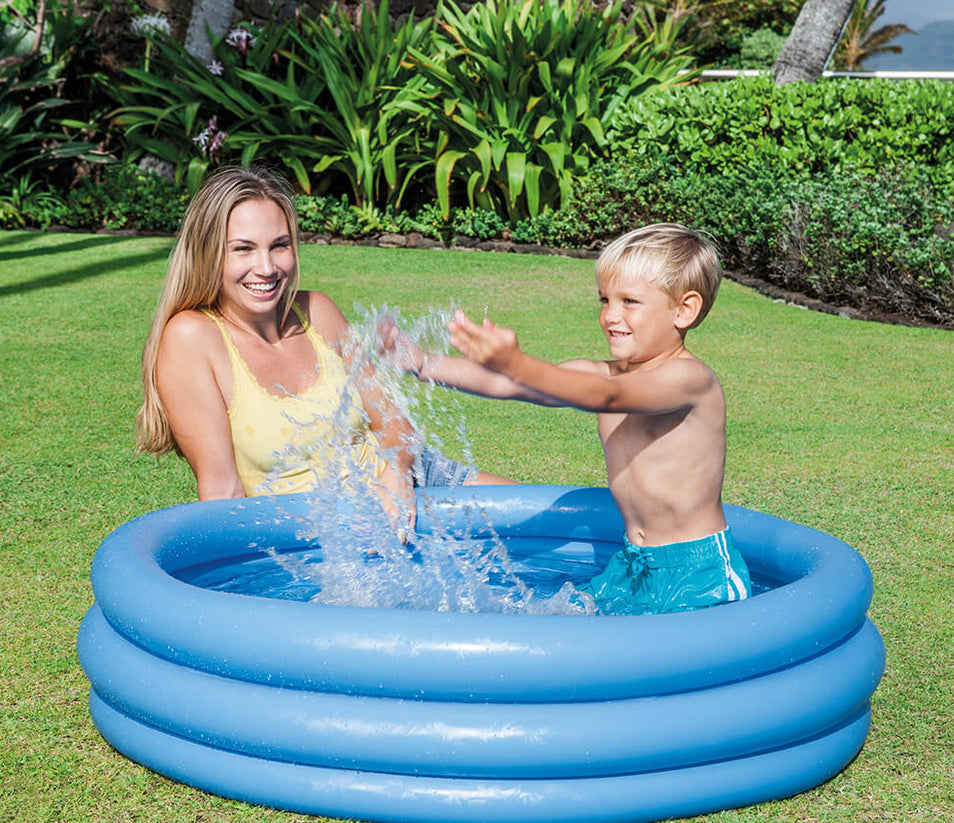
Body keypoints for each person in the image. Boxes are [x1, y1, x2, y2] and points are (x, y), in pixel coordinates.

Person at [379, 223, 750, 614]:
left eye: (629, 302)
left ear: (684, 309)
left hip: (698, 573)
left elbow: (605, 398)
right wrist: (420, 362)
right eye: (605, 300)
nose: (611, 315)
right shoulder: (605, 373)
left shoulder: (689, 380)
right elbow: (510, 385)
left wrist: (518, 362)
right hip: (632, 563)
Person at [136, 165, 507, 535]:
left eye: (279, 246)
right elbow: (223, 493)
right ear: (208, 253)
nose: (266, 267)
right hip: (318, 544)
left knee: (560, 523)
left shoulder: (318, 312)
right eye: (243, 249)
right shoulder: (192, 338)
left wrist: (395, 475)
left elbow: (395, 424)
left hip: (415, 482)